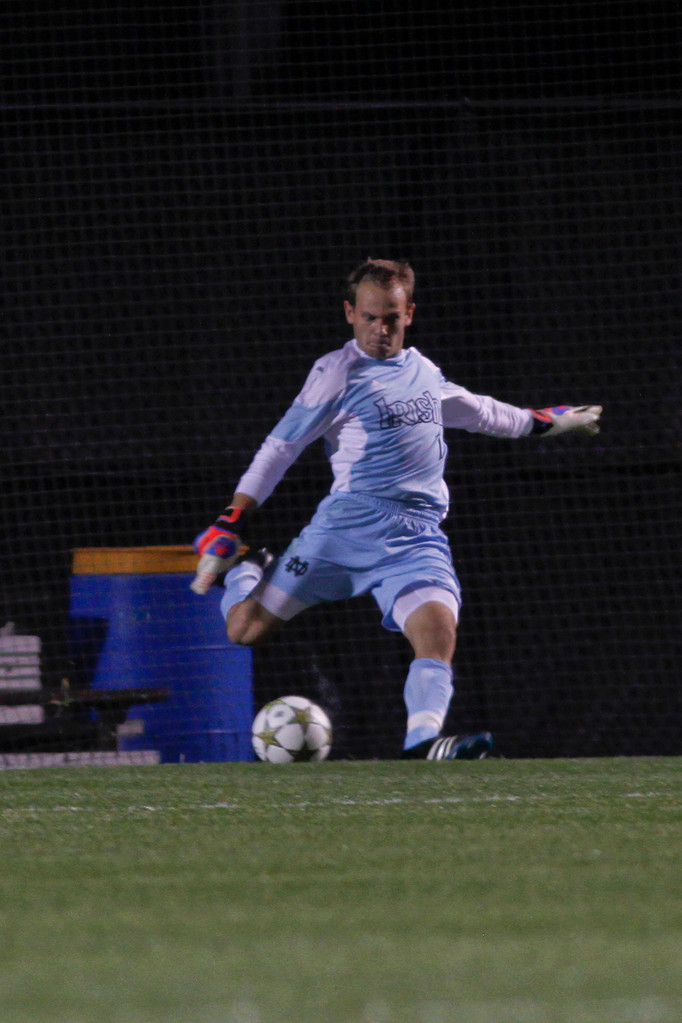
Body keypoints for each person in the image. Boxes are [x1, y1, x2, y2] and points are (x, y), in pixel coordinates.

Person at [192, 259, 602, 760]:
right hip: (344, 530)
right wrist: (232, 518)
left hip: (416, 538)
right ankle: (247, 572)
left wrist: (550, 422)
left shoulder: (424, 373)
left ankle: (422, 742)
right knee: (244, 631)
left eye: (390, 317)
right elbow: (280, 448)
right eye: (368, 317)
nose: (379, 329)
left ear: (409, 313)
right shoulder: (335, 373)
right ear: (349, 313)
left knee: (438, 633)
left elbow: (481, 412)